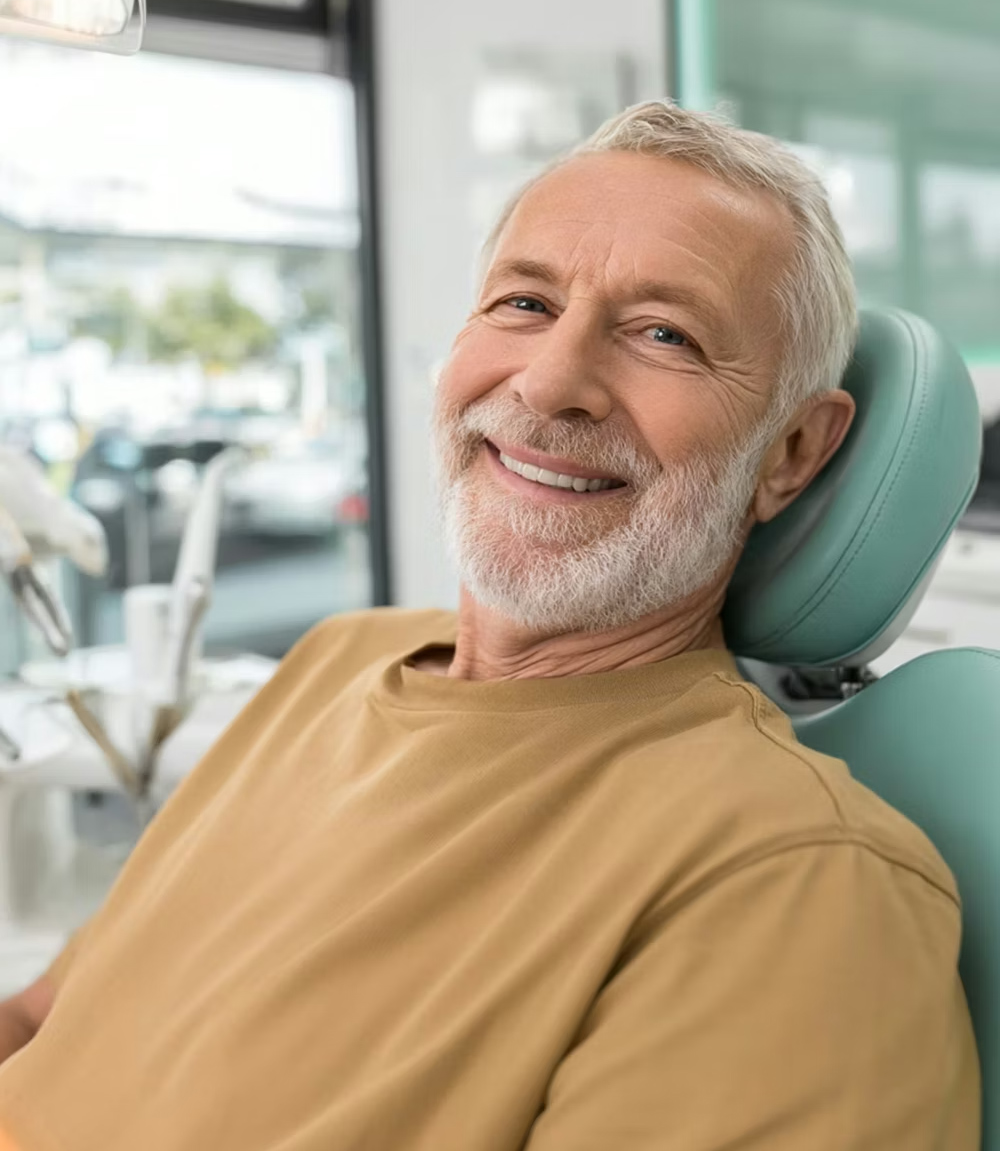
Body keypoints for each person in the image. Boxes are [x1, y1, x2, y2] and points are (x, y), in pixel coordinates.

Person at [0, 101, 979, 1150]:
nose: (550, 381)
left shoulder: (796, 882)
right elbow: (52, 1020)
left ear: (788, 453)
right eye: (523, 302)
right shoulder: (340, 658)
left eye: (665, 334)